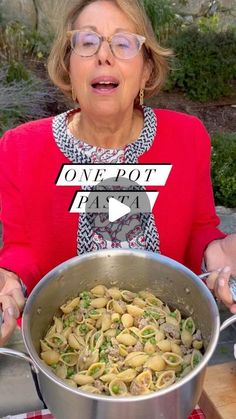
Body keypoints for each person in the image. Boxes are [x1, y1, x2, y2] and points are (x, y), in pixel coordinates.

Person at [0, 0, 235, 347]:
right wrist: (9, 280)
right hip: (66, 350)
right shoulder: (20, 148)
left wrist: (218, 253)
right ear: (68, 64)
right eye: (87, 42)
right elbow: (22, 251)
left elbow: (201, 229)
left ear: (146, 70)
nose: (103, 56)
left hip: (170, 342)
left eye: (123, 43)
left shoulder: (187, 138)